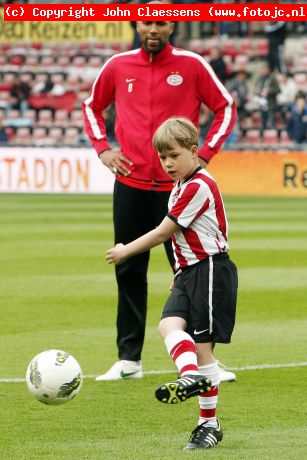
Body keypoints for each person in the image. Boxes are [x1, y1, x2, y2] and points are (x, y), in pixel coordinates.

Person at [82, 6, 237, 382]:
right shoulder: (118, 65)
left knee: (193, 272)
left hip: (177, 190)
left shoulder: (192, 64)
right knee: (129, 269)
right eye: (147, 22)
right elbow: (92, 106)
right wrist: (103, 149)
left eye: (161, 23)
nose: (153, 29)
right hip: (131, 184)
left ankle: (205, 362)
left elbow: (225, 107)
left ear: (172, 25)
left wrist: (205, 155)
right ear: (137, 24)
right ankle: (129, 360)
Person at [106, 117, 238, 450]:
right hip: (189, 272)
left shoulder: (198, 185)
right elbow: (182, 240)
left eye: (174, 156)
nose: (167, 163)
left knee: (203, 348)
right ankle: (191, 376)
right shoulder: (180, 186)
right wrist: (178, 272)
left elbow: (165, 232)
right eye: (163, 157)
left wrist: (126, 249)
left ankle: (208, 424)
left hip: (210, 270)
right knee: (168, 326)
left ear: (194, 152)